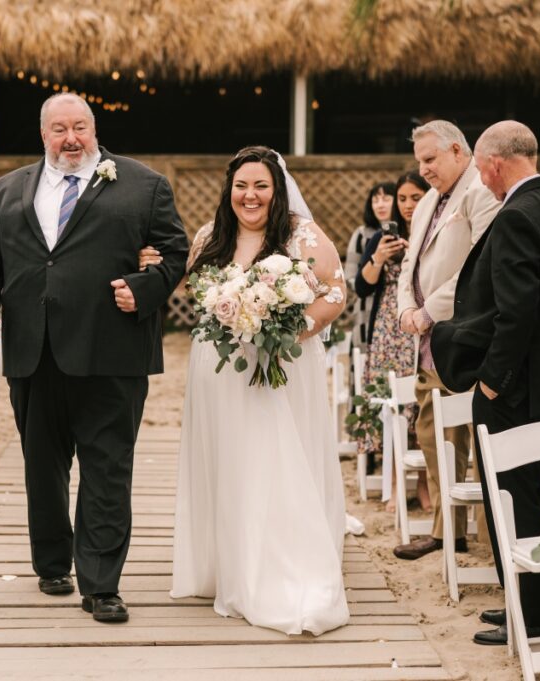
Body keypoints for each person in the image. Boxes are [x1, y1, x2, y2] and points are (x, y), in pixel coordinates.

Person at [0, 92, 189, 623]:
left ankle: (102, 583)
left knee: (107, 468)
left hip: (112, 350)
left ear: (94, 128)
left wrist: (146, 287)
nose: (71, 139)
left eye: (80, 127)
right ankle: (51, 563)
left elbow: (175, 253)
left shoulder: (144, 184)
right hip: (32, 350)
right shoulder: (4, 191)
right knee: (43, 466)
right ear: (43, 133)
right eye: (59, 129)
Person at [171, 146, 350, 635]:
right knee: (228, 459)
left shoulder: (300, 234)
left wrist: (290, 332)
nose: (250, 196)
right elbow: (196, 289)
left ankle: (276, 568)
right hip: (217, 369)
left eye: (261, 186)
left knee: (272, 458)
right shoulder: (211, 236)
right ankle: (227, 564)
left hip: (279, 368)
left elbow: (335, 290)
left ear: (278, 189)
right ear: (229, 190)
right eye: (241, 186)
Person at [432, 120, 540, 646]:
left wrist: (492, 383)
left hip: (513, 389)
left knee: (515, 501)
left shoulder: (518, 215)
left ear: (494, 162)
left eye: (477, 164)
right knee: (529, 496)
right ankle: (522, 600)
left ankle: (537, 618)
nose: (479, 174)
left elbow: (517, 313)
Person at [392, 120, 500, 561]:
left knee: (474, 436)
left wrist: (427, 311)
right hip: (426, 339)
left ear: (458, 151)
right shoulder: (427, 203)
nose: (423, 170)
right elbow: (409, 264)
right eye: (419, 161)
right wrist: (403, 309)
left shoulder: (482, 193)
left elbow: (476, 269)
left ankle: (495, 541)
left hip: (464, 335)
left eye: (430, 160)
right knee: (432, 432)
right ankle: (446, 530)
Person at [354, 172, 429, 512]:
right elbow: (362, 287)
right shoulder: (382, 236)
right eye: (403, 199)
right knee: (395, 407)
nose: (408, 205)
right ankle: (397, 480)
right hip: (388, 329)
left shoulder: (432, 231)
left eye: (415, 197)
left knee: (424, 406)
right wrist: (379, 257)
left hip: (425, 323)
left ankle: (426, 485)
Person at [345, 181, 395, 349]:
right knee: (364, 358)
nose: (380, 204)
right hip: (366, 307)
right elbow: (350, 277)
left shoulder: (408, 230)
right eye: (375, 200)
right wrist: (369, 280)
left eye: (386, 199)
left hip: (398, 308)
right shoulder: (361, 234)